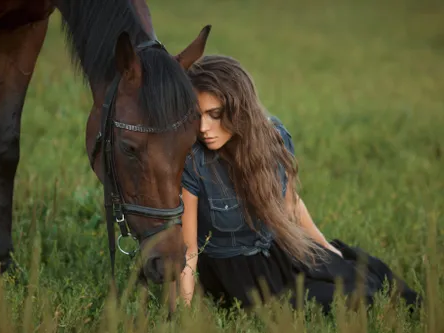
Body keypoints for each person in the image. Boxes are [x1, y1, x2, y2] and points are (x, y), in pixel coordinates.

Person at [178, 54, 421, 313]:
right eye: (198, 115)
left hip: (278, 250)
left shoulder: (272, 137)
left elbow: (291, 205)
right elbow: (190, 251)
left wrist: (324, 248)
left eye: (215, 114)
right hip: (240, 277)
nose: (204, 127)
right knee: (353, 298)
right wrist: (185, 314)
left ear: (240, 109)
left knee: (367, 273)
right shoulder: (194, 162)